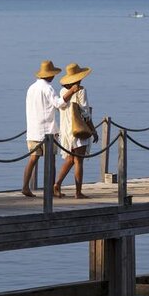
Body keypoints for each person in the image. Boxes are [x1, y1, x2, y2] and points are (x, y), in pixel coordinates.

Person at [22, 60, 80, 198]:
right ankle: (50, 188)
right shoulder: (48, 88)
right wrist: (71, 91)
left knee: (33, 159)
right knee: (51, 161)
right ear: (50, 75)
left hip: (33, 129)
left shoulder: (31, 88)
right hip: (48, 130)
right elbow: (58, 103)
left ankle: (25, 187)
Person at [55, 63, 97, 199]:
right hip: (78, 129)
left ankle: (57, 184)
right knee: (79, 161)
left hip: (66, 130)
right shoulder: (81, 91)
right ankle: (78, 192)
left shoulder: (63, 92)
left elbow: (59, 106)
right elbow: (85, 113)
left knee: (70, 158)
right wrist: (93, 130)